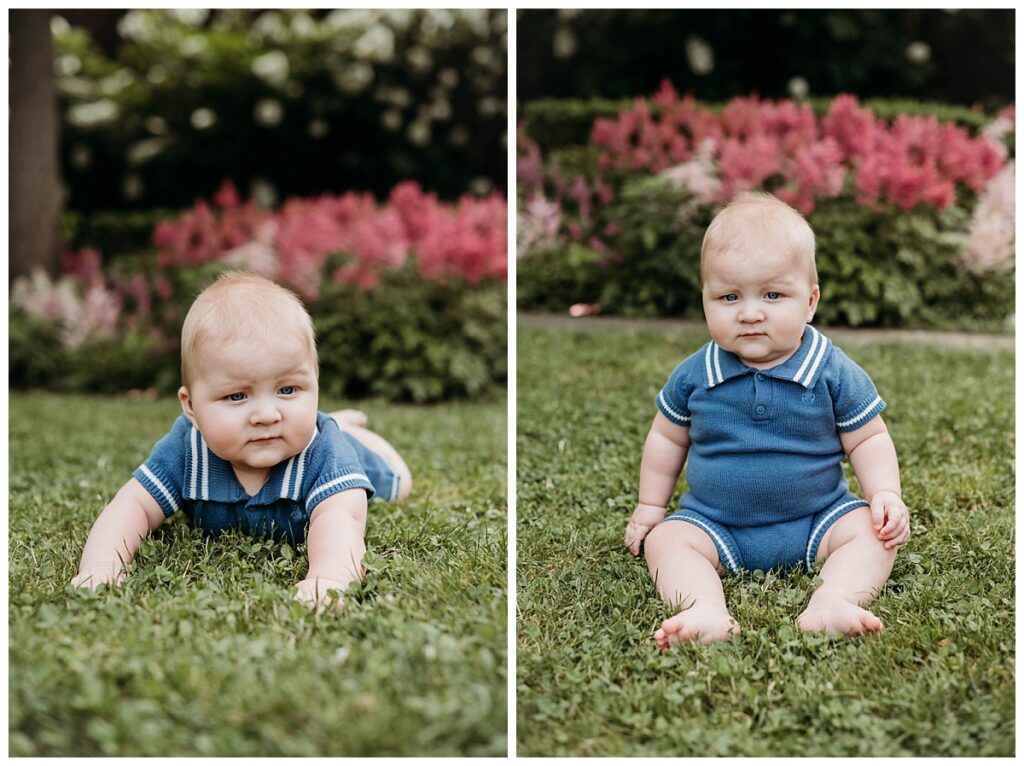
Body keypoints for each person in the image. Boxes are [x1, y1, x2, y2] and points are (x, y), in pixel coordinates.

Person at [623, 192, 910, 648]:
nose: (750, 312)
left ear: (810, 301)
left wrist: (885, 495)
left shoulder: (831, 371)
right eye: (729, 296)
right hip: (714, 524)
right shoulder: (697, 374)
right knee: (666, 541)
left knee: (873, 536)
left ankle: (833, 600)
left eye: (773, 295)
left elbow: (868, 439)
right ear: (705, 300)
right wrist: (650, 509)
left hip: (819, 518)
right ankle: (704, 609)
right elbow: (666, 439)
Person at [71, 271, 412, 610]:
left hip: (359, 457)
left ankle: (349, 429)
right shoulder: (187, 449)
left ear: (315, 384)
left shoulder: (324, 452)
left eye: (288, 390)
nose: (266, 415)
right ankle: (335, 418)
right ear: (191, 408)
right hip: (287, 430)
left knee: (401, 483)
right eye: (237, 396)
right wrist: (102, 566)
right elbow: (132, 505)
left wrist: (331, 579)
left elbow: (341, 519)